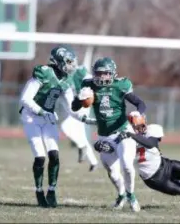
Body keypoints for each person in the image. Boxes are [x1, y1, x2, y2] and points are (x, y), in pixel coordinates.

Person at [19, 45, 95, 208]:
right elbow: (25, 99)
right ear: (58, 61)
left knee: (54, 154)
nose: (71, 65)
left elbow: (70, 109)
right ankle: (39, 191)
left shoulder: (66, 80)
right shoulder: (44, 72)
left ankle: (51, 191)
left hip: (48, 117)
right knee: (40, 156)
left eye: (72, 62)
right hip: (31, 117)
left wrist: (85, 117)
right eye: (68, 62)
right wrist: (41, 111)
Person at [72, 57, 146, 212]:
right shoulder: (88, 84)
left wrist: (138, 113)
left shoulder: (121, 85)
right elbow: (74, 107)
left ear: (112, 73)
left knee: (127, 165)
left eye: (105, 74)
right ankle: (121, 195)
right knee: (112, 172)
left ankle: (131, 196)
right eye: (98, 73)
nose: (100, 77)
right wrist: (81, 100)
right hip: (104, 135)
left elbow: (140, 103)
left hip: (123, 131)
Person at [114, 114, 180, 197]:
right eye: (137, 126)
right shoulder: (125, 141)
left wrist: (131, 135)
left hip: (166, 165)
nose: (141, 128)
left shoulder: (151, 130)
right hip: (154, 179)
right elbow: (112, 150)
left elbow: (150, 143)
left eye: (142, 125)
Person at [59, 64, 98, 171]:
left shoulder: (79, 71)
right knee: (81, 136)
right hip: (75, 106)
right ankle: (93, 162)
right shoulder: (62, 75)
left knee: (65, 126)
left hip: (81, 105)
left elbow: (90, 79)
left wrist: (87, 93)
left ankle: (82, 146)